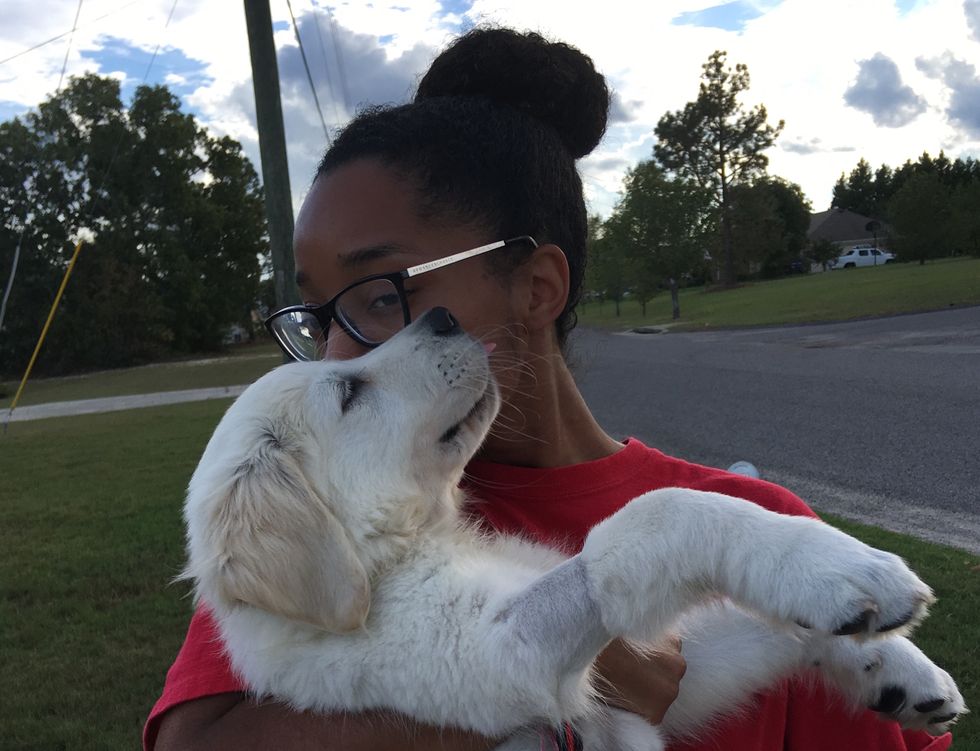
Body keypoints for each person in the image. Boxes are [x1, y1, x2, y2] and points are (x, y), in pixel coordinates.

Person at [146, 27, 952, 751]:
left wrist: (802, 630)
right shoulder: (316, 525)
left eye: (382, 293)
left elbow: (678, 671)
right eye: (320, 315)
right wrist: (581, 647)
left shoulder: (767, 531)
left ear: (536, 288)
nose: (335, 350)